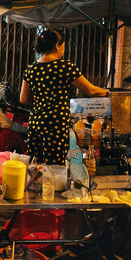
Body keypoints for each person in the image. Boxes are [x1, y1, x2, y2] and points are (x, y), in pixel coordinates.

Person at [20, 28, 108, 165]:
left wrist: (43, 101)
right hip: (55, 125)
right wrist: (109, 93)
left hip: (35, 124)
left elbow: (24, 99)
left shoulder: (31, 68)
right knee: (54, 166)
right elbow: (91, 90)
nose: (63, 50)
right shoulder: (65, 66)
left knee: (34, 166)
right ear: (57, 45)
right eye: (63, 46)